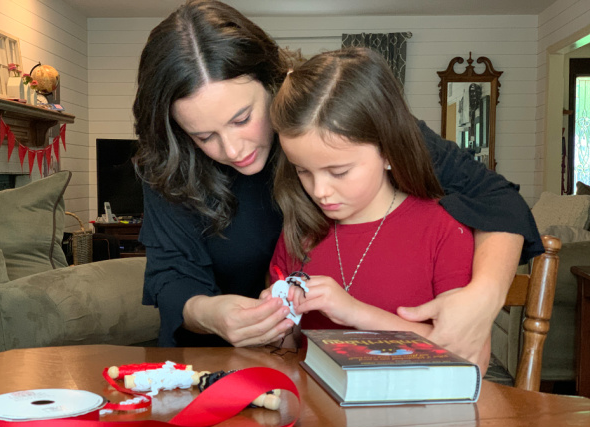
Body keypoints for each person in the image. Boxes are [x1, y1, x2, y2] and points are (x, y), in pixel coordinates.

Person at [132, 0, 541, 363]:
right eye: (204, 136)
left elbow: (494, 197)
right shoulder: (170, 164)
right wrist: (210, 313)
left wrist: (484, 296)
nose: (233, 149)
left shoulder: (337, 123)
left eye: (242, 119)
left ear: (273, 82)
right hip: (217, 359)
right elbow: (171, 277)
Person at [267, 47, 491, 369]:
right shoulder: (299, 230)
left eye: (339, 172)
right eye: (302, 170)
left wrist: (356, 313)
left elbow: (474, 360)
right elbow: (287, 352)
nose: (320, 191)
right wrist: (274, 324)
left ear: (388, 151)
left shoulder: (442, 229)